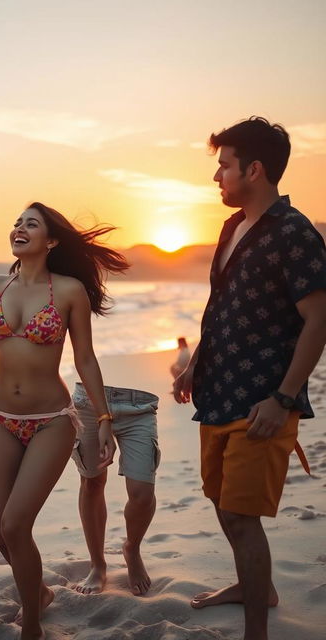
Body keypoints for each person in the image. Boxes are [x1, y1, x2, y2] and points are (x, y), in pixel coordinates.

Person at [0, 202, 128, 640]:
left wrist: (103, 417)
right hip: (1, 419)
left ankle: (32, 627)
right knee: (3, 535)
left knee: (14, 525)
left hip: (51, 422)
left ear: (52, 240)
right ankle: (38, 594)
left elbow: (85, 358)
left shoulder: (68, 291)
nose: (20, 228)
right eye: (17, 222)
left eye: (32, 223)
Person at [173, 117, 326, 640]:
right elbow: (221, 304)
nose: (217, 176)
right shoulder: (231, 226)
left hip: (262, 400)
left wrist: (283, 399)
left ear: (254, 169)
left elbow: (319, 321)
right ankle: (253, 587)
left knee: (241, 515)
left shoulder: (294, 232)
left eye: (224, 165)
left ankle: (256, 631)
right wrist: (195, 362)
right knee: (221, 501)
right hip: (218, 388)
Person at [70, 382, 159, 596]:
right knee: (92, 483)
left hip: (140, 405)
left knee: (142, 493)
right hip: (89, 400)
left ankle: (132, 548)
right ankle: (97, 565)